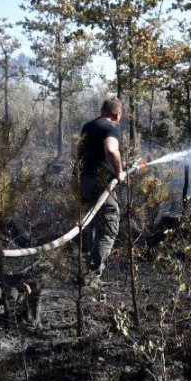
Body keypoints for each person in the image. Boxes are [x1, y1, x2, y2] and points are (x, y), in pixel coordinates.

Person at [77, 97, 143, 282]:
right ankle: (92, 277)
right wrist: (120, 173)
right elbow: (112, 150)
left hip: (84, 180)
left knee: (88, 225)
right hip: (101, 184)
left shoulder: (88, 126)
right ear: (118, 113)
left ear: (102, 110)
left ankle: (83, 269)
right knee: (108, 226)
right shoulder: (112, 126)